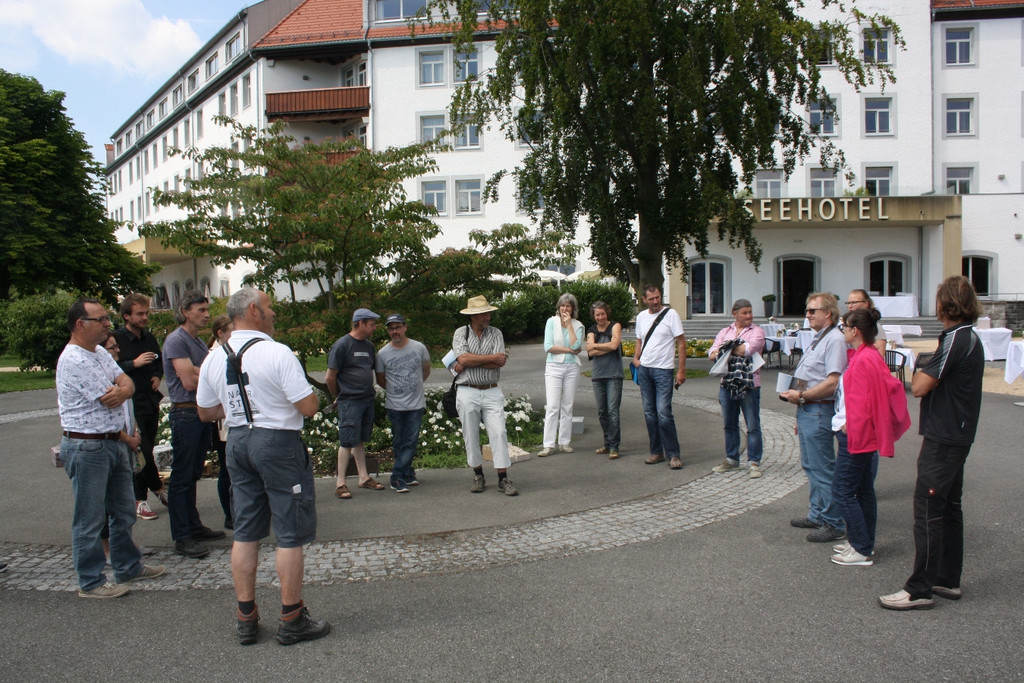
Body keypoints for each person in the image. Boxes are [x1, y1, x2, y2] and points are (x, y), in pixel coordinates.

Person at [197, 288, 330, 645]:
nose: (274, 314)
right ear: (254, 311)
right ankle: (291, 616)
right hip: (278, 443)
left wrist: (241, 405)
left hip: (238, 442)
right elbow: (308, 406)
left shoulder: (214, 356)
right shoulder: (276, 352)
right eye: (270, 308)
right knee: (289, 532)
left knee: (245, 530)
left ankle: (246, 617)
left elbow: (206, 412)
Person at [879, 276, 985, 610]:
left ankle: (919, 587)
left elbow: (921, 385)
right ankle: (947, 579)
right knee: (950, 506)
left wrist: (925, 365)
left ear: (946, 304)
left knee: (928, 508)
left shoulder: (955, 339)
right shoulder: (967, 338)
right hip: (957, 432)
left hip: (945, 435)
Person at [56, 298, 165, 598]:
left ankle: (128, 566)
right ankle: (90, 582)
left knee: (122, 510)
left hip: (112, 443)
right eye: (100, 320)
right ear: (81, 324)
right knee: (90, 518)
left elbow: (124, 382)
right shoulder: (74, 359)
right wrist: (123, 389)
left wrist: (125, 386)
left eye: (106, 318)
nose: (107, 324)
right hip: (88, 446)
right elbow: (110, 396)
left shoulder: (100, 352)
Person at [830, 307, 910, 567]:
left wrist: (851, 427)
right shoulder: (864, 355)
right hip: (858, 433)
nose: (842, 329)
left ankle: (862, 547)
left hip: (856, 436)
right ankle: (861, 541)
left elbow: (867, 400)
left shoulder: (865, 358)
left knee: (843, 491)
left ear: (855, 331)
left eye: (845, 326)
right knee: (862, 491)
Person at [780, 292, 848, 543]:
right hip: (809, 407)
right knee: (811, 465)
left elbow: (834, 381)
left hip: (818, 407)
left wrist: (804, 396)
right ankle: (818, 513)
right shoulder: (820, 338)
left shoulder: (834, 340)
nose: (807, 315)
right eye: (807, 311)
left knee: (822, 467)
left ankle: (833, 521)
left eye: (812, 311)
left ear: (828, 313)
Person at [163, 290, 224, 558]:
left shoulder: (197, 342)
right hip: (185, 414)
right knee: (182, 477)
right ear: (185, 311)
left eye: (207, 309)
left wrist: (202, 373)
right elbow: (189, 381)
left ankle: (193, 525)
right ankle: (182, 536)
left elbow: (206, 372)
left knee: (192, 475)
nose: (207, 314)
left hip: (199, 414)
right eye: (201, 310)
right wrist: (204, 374)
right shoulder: (176, 341)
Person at [452, 295, 517, 495]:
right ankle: (478, 475)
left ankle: (503, 478)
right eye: (484, 313)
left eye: (488, 312)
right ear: (473, 316)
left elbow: (500, 361)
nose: (488, 316)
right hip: (467, 390)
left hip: (491, 389)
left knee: (499, 432)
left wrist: (469, 361)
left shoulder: (496, 333)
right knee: (470, 434)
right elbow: (462, 358)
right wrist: (481, 359)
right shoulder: (460, 333)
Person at [113, 293, 167, 521]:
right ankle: (153, 491)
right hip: (129, 403)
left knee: (146, 450)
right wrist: (133, 364)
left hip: (149, 400)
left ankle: (143, 496)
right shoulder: (116, 339)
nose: (145, 317)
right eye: (140, 314)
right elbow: (111, 366)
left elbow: (159, 360)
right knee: (141, 450)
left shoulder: (149, 338)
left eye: (147, 313)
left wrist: (157, 375)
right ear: (126, 316)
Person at [326, 308, 384, 499]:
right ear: (360, 323)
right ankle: (340, 483)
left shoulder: (369, 346)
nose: (375, 328)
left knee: (359, 439)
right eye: (372, 324)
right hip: (349, 400)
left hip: (366, 399)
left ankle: (363, 477)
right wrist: (341, 395)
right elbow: (330, 378)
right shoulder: (341, 345)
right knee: (346, 440)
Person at [709, 299, 766, 478]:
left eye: (750, 312)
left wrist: (727, 348)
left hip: (750, 384)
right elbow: (712, 353)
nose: (749, 316)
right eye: (745, 313)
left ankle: (754, 461)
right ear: (735, 314)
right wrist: (729, 348)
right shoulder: (725, 331)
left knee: (753, 424)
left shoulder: (757, 331)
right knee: (729, 424)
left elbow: (747, 350)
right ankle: (732, 459)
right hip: (727, 383)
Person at [631, 284, 687, 470]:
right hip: (645, 369)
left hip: (664, 370)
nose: (656, 301)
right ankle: (656, 452)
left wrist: (681, 370)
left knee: (663, 412)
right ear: (644, 299)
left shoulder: (671, 315)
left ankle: (674, 454)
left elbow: (681, 342)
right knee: (649, 413)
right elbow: (640, 340)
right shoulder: (641, 317)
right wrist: (636, 358)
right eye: (652, 298)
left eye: (658, 297)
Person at [374, 313, 431, 492]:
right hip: (395, 405)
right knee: (399, 441)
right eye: (391, 328)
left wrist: (413, 386)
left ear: (405, 327)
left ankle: (397, 476)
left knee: (411, 441)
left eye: (398, 327)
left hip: (415, 404)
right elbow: (380, 379)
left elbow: (425, 370)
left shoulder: (418, 347)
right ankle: (406, 473)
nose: (395, 331)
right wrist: (395, 390)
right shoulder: (382, 353)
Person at [538, 293, 585, 457]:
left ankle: (564, 442)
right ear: (558, 307)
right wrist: (570, 350)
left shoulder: (578, 325)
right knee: (552, 406)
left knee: (568, 405)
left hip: (572, 367)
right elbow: (549, 346)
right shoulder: (551, 322)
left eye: (568, 306)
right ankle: (548, 444)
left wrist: (569, 326)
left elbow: (577, 344)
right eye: (562, 305)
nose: (565, 308)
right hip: (554, 366)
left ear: (573, 309)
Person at [585, 301, 623, 459]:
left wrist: (597, 346)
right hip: (598, 376)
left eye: (602, 314)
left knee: (613, 411)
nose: (600, 317)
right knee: (602, 412)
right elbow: (589, 351)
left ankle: (614, 446)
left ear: (607, 313)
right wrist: (607, 346)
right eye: (597, 315)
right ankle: (607, 443)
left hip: (614, 375)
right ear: (593, 316)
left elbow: (615, 346)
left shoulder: (615, 326)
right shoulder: (591, 330)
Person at [208, 314, 235, 528]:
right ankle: (229, 513)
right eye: (232, 330)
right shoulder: (215, 356)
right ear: (221, 333)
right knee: (227, 468)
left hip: (233, 415)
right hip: (223, 419)